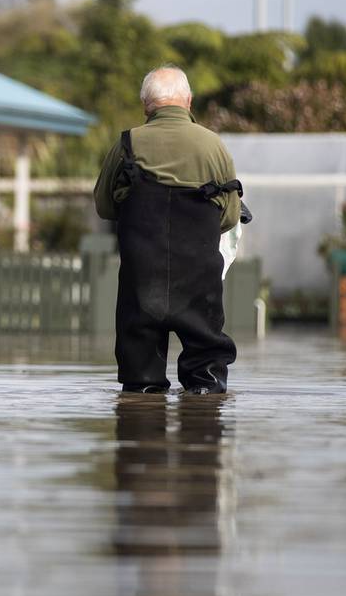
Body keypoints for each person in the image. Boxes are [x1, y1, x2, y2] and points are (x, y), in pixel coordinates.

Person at [93, 65, 243, 394]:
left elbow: (104, 207)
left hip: (141, 283)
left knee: (139, 386)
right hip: (199, 283)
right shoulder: (213, 146)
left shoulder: (127, 145)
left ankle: (141, 433)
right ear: (187, 101)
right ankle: (202, 434)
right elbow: (231, 217)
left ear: (147, 105)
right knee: (207, 388)